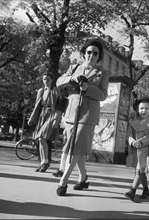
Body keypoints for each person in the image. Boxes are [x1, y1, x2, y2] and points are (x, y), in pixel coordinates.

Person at [55, 39, 109, 196]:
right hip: (72, 113)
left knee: (75, 148)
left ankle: (63, 181)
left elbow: (103, 95)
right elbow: (59, 82)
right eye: (89, 52)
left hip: (88, 115)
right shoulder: (74, 68)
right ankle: (83, 178)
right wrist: (70, 79)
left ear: (99, 56)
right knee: (76, 149)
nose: (91, 55)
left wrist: (88, 88)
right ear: (84, 53)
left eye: (95, 53)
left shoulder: (103, 72)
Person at [124, 97, 149, 201]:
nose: (144, 111)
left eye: (146, 109)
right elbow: (129, 134)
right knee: (141, 171)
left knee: (139, 171)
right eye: (142, 108)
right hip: (135, 150)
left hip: (146, 151)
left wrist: (140, 141)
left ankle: (132, 191)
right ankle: (146, 190)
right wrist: (132, 142)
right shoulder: (132, 122)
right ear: (138, 109)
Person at [28, 72, 61, 172]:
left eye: (47, 79)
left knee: (42, 137)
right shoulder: (41, 91)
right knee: (40, 139)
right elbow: (36, 106)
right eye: (44, 79)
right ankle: (43, 162)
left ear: (52, 80)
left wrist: (56, 118)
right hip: (42, 115)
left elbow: (59, 106)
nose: (45, 81)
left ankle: (45, 161)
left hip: (51, 115)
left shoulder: (55, 90)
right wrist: (31, 118)